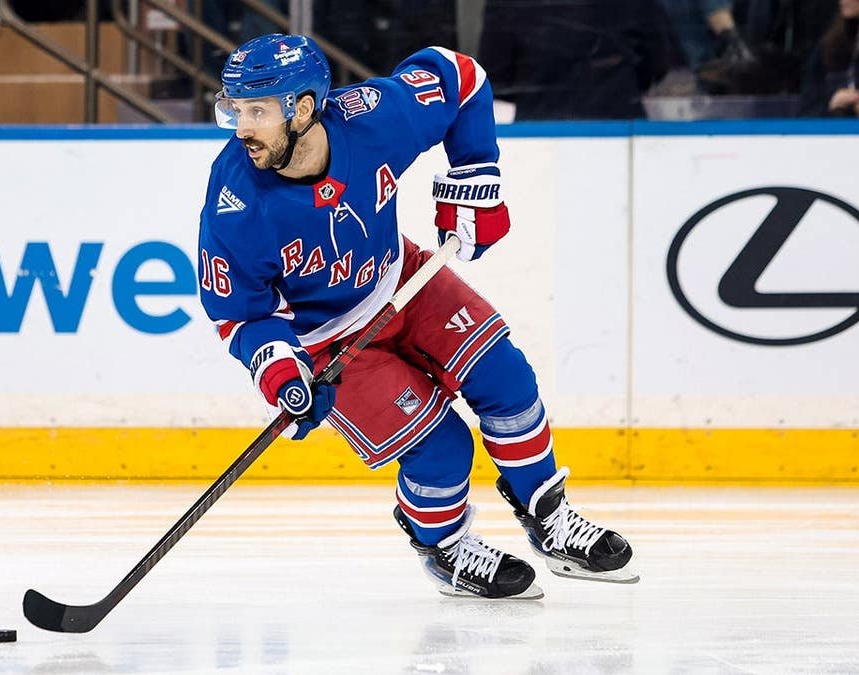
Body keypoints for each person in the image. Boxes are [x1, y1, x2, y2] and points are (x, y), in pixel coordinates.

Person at [197, 33, 637, 598]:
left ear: (304, 108)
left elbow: (464, 77)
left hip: (402, 277)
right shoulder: (234, 201)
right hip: (328, 340)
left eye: (256, 110)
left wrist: (476, 176)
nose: (241, 128)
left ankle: (549, 518)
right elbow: (239, 314)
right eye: (233, 109)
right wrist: (282, 372)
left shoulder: (374, 119)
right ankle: (444, 545)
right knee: (443, 448)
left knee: (507, 379)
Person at [477, 0, 673, 119]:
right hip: (618, 121)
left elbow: (496, 78)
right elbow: (657, 63)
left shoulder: (510, 5)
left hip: (541, 130)